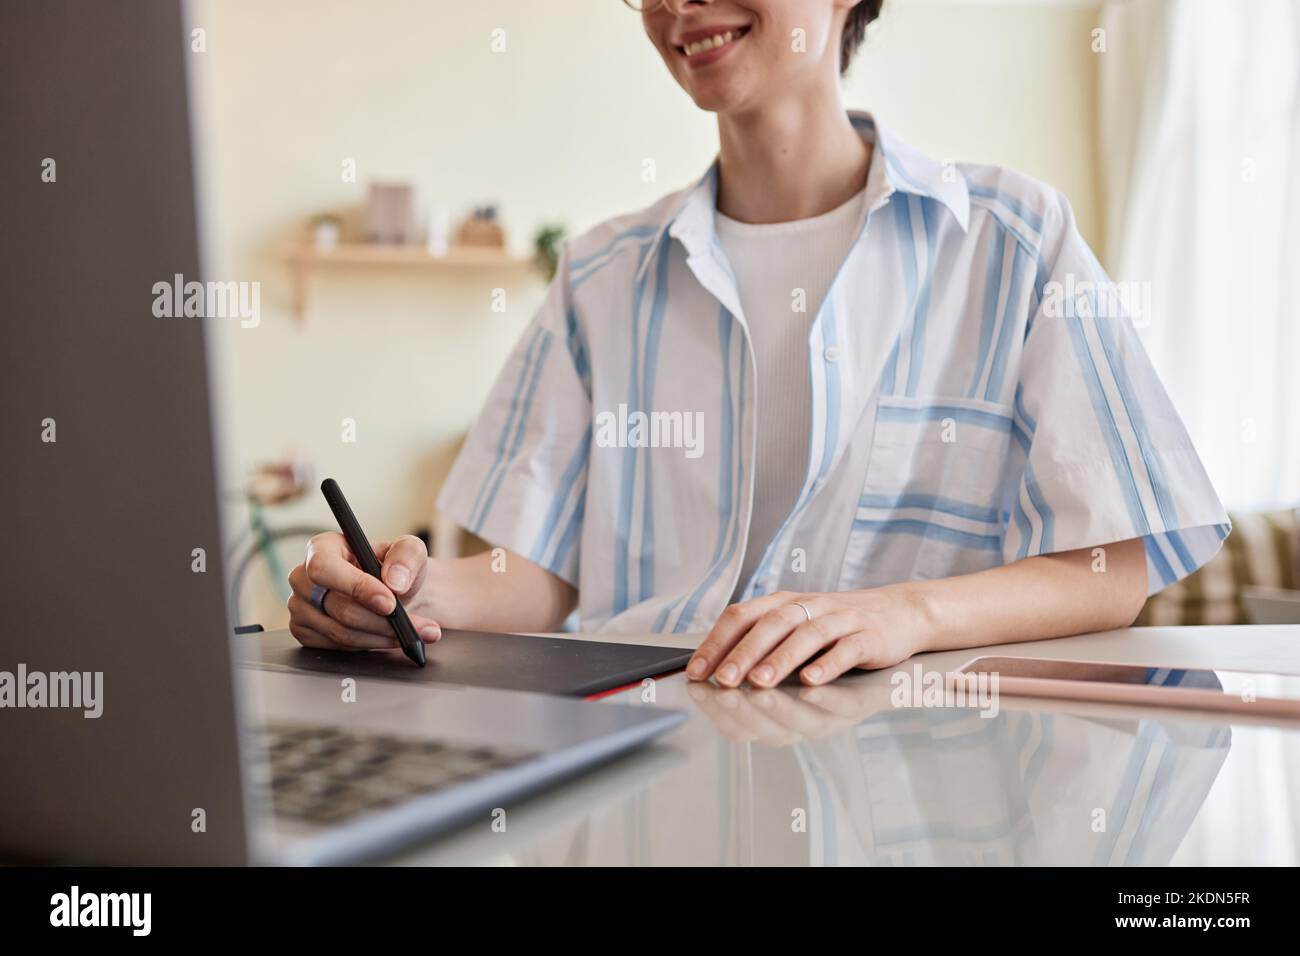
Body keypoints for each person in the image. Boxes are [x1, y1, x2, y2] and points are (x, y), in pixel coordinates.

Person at [287, 0, 1228, 689]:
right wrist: (405, 591)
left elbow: (1112, 567)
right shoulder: (600, 275)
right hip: (651, 780)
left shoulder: (1014, 240)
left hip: (920, 785)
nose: (676, 5)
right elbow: (539, 573)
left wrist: (907, 612)